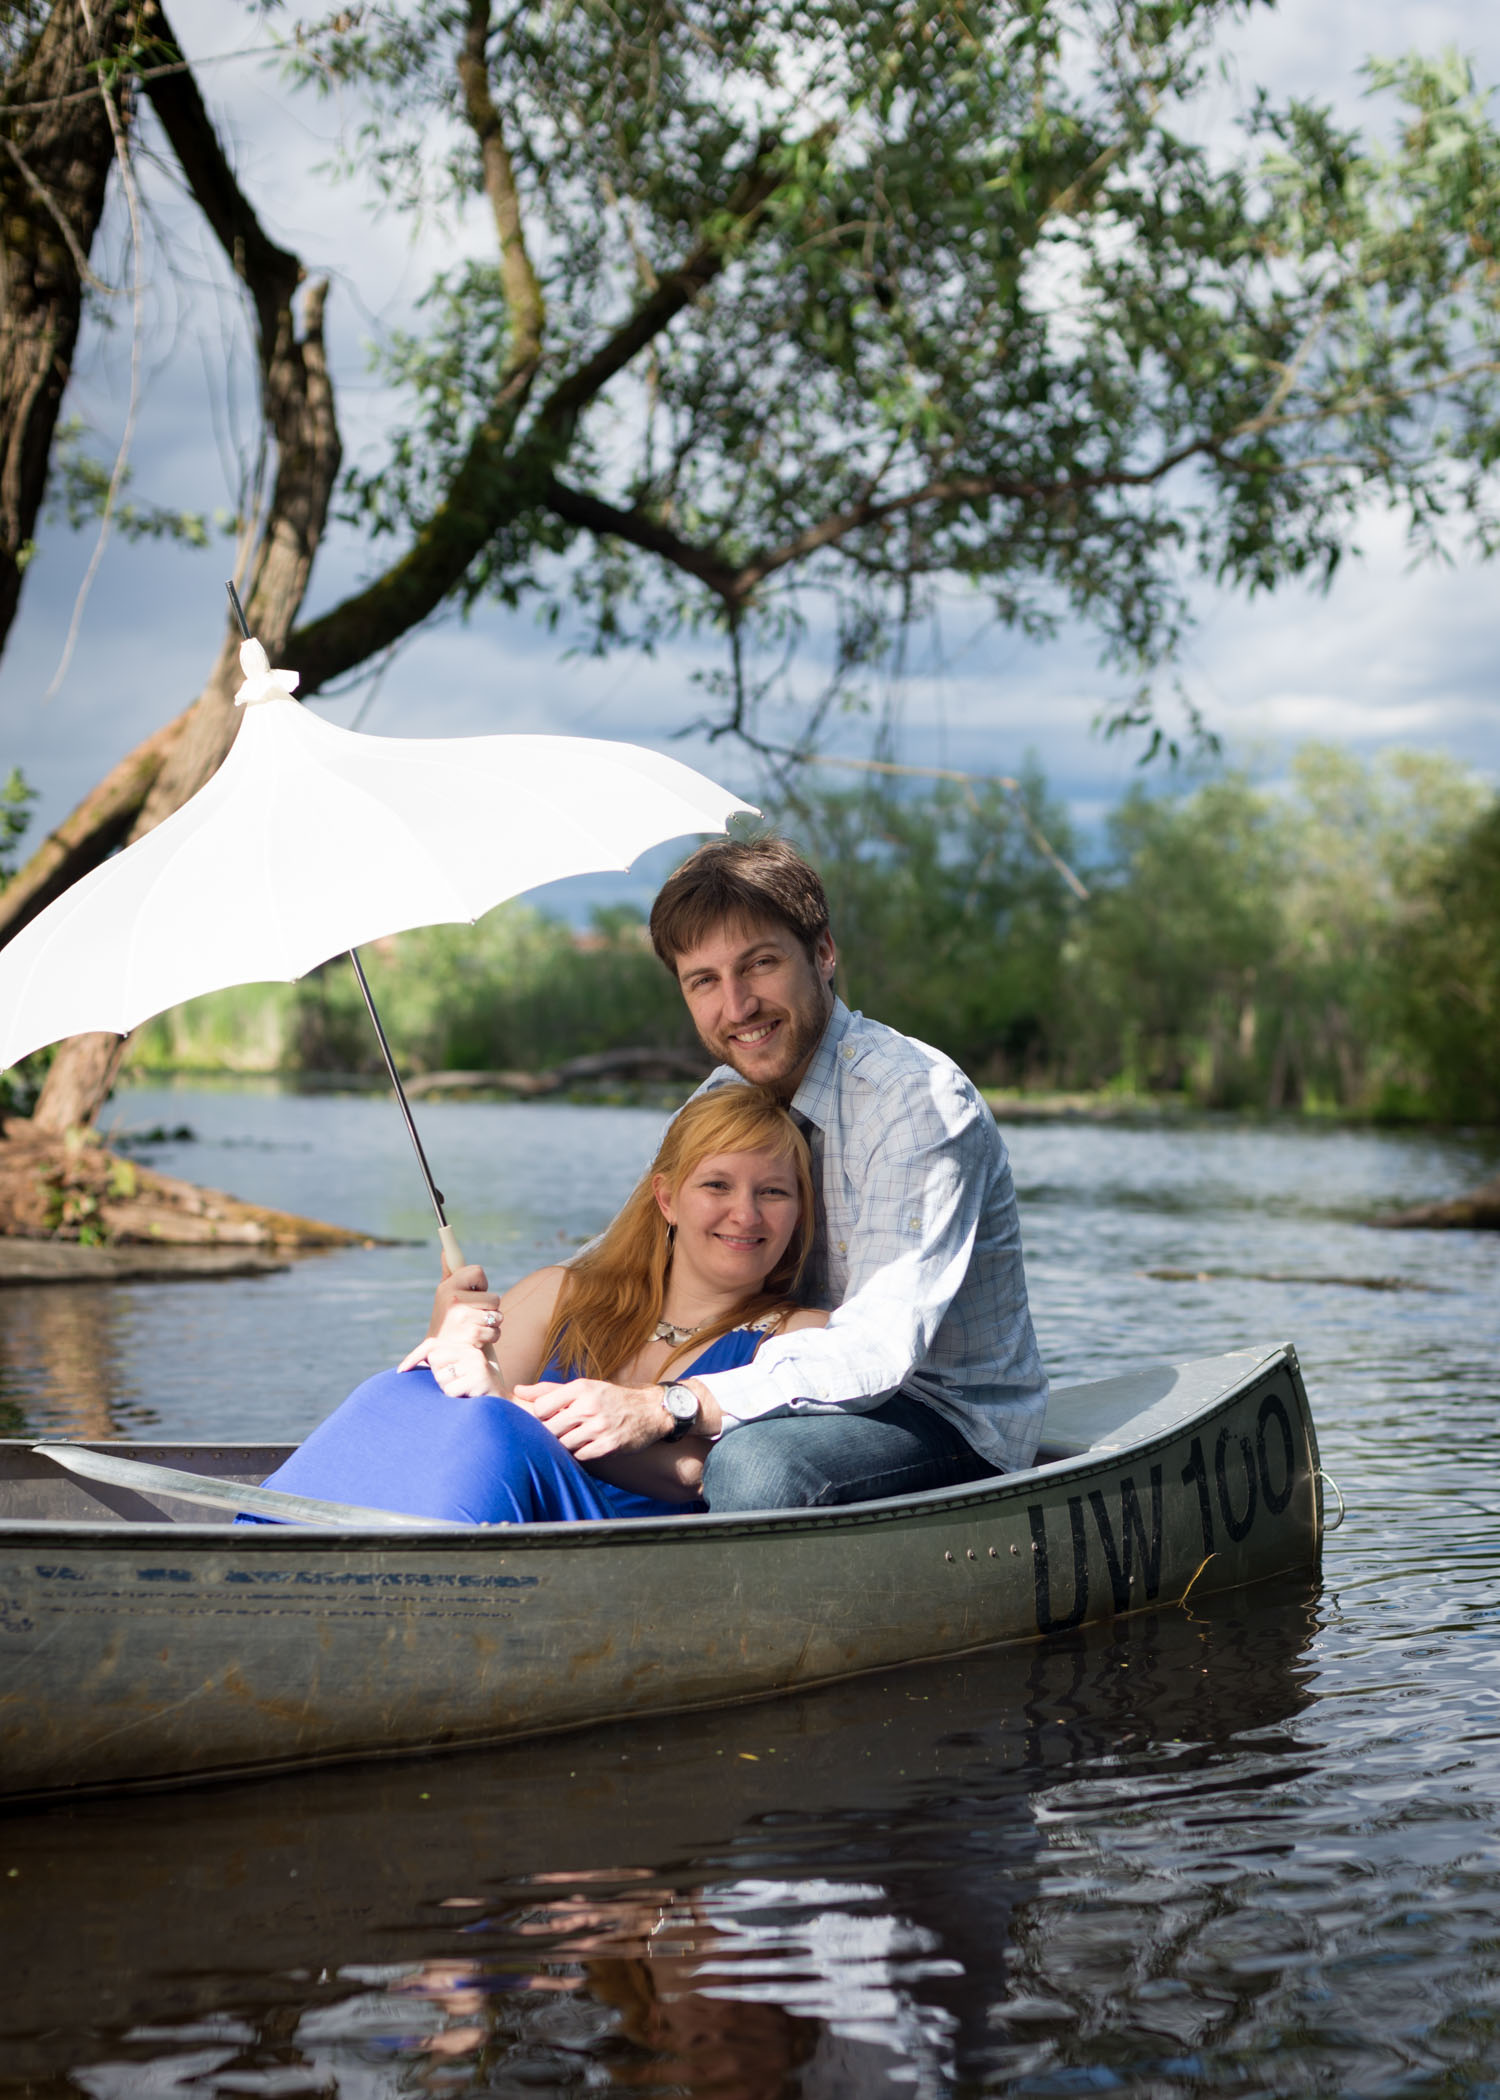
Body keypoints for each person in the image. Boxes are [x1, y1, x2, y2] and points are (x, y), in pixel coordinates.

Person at [434, 836, 1049, 1514]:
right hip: (781, 1374)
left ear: (822, 954)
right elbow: (617, 1263)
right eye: (705, 981)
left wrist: (671, 1403)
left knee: (752, 1470)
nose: (737, 1007)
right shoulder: (719, 1098)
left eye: (759, 965)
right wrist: (473, 1331)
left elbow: (877, 1353)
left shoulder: (917, 1102)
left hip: (932, 1412)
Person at [254, 1087, 826, 1524]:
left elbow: (708, 1475)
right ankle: (264, 1532)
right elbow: (453, 1412)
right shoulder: (564, 1293)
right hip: (489, 1507)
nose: (746, 1215)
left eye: (773, 1192)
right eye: (718, 1186)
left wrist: (506, 1403)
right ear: (667, 1199)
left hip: (601, 1552)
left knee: (498, 1425)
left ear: (799, 1213)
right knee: (400, 1388)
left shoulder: (801, 1339)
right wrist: (448, 1337)